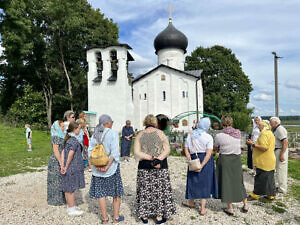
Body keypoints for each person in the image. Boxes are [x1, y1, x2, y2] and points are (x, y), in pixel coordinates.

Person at [134, 114, 176, 224]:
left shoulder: (140, 134)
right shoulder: (161, 133)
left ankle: (144, 216)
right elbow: (167, 149)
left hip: (144, 166)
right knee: (160, 190)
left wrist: (150, 158)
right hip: (160, 166)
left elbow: (136, 152)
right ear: (155, 123)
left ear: (144, 123)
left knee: (145, 190)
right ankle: (158, 217)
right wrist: (158, 159)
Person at [88, 114, 124, 224]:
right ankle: (116, 218)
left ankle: (104, 219)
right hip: (111, 168)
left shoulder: (94, 134)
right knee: (116, 193)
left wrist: (95, 166)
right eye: (111, 121)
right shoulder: (113, 133)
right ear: (107, 123)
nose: (112, 123)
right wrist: (107, 166)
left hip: (97, 169)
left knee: (101, 194)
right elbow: (115, 152)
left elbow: (90, 152)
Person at [182, 117, 218, 216]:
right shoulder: (208, 137)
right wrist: (201, 165)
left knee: (192, 180)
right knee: (205, 183)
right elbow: (208, 153)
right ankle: (202, 208)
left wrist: (190, 160)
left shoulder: (190, 136)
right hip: (205, 161)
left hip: (193, 159)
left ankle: (191, 202)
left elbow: (186, 150)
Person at [214, 115, 248, 216]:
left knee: (226, 182)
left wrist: (219, 148)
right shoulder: (238, 133)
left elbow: (216, 148)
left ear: (222, 123)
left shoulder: (219, 135)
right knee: (239, 181)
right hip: (236, 159)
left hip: (225, 159)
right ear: (231, 122)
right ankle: (245, 204)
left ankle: (230, 208)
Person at [246, 120, 276, 200]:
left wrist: (252, 144)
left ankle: (255, 194)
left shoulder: (264, 133)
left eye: (259, 125)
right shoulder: (270, 133)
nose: (258, 127)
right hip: (270, 160)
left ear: (263, 126)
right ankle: (271, 195)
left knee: (260, 178)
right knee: (270, 178)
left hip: (264, 160)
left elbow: (264, 147)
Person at [61, 121, 85, 216]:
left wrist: (62, 165)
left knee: (68, 187)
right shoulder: (74, 140)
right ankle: (71, 209)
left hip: (68, 165)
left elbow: (63, 152)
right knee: (71, 188)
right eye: (79, 128)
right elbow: (70, 154)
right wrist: (66, 166)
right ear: (75, 129)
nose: (80, 130)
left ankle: (70, 205)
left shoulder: (68, 139)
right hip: (73, 166)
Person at [47, 120, 66, 206]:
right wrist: (61, 162)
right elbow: (55, 150)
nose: (63, 128)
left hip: (60, 159)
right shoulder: (56, 136)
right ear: (57, 127)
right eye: (62, 126)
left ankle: (61, 198)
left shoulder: (61, 136)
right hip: (56, 160)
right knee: (55, 180)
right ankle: (55, 200)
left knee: (60, 179)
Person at [269, 117, 288, 194]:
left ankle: (282, 189)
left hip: (280, 150)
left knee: (281, 169)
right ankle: (280, 186)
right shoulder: (277, 129)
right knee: (279, 169)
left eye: (271, 122)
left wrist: (282, 154)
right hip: (278, 150)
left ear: (276, 122)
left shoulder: (280, 129)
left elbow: (285, 142)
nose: (270, 124)